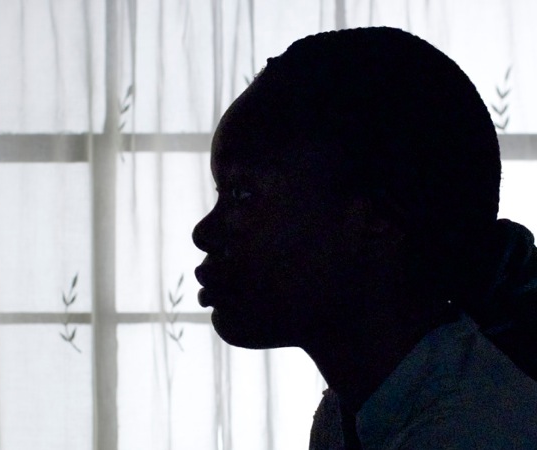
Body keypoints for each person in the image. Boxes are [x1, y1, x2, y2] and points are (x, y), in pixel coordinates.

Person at [192, 27, 537, 449]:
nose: (204, 232)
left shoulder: (472, 433)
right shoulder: (353, 412)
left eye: (242, 194)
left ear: (375, 217)